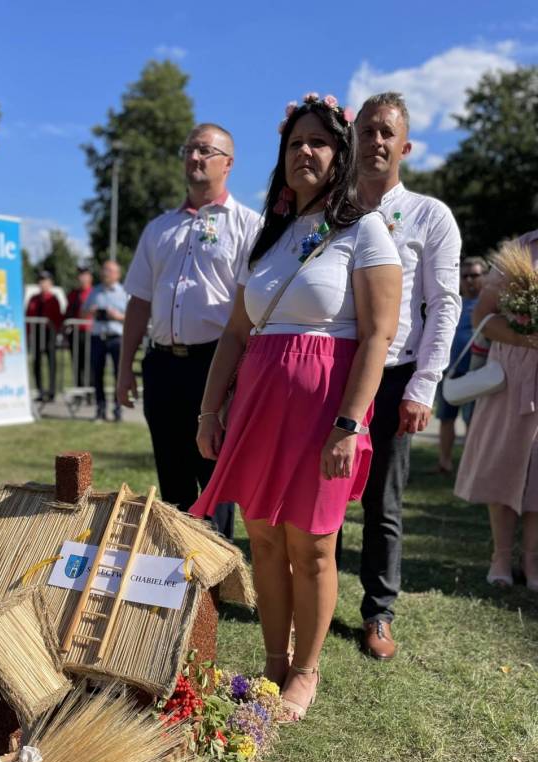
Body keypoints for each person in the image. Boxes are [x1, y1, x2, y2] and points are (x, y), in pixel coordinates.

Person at [191, 94, 402, 721]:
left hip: (325, 413)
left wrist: (349, 425)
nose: (304, 151)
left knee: (311, 546)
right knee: (262, 539)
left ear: (341, 155)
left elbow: (378, 336)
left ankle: (305, 671)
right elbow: (235, 333)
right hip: (258, 406)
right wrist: (209, 412)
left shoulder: (365, 230)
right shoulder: (270, 237)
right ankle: (273, 662)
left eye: (318, 141)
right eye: (294, 143)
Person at [352, 92, 461, 660]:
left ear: (405, 147)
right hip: (336, 371)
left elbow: (444, 304)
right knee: (319, 495)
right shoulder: (335, 209)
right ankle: (307, 600)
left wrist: (424, 384)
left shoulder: (428, 215)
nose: (376, 141)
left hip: (396, 375)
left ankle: (379, 612)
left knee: (383, 504)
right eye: (367, 130)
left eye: (386, 133)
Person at [117, 123, 261, 541]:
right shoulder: (159, 228)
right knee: (173, 478)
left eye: (205, 151)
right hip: (162, 365)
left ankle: (216, 569)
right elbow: (139, 301)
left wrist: (239, 376)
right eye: (189, 150)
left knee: (214, 478)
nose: (195, 157)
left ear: (228, 163)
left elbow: (252, 307)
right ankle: (178, 569)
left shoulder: (249, 225)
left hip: (215, 364)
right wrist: (125, 369)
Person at [455, 228, 538, 587]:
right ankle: (501, 557)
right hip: (512, 376)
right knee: (502, 464)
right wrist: (530, 338)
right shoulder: (520, 248)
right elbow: (483, 319)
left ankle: (532, 560)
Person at [435, 257, 487, 473]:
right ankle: (444, 463)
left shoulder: (490, 304)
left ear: (484, 276)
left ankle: (470, 468)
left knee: (473, 422)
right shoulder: (453, 303)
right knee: (446, 419)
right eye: (464, 276)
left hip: (477, 373)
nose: (469, 280)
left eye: (474, 275)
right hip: (449, 371)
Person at [83, 260, 128, 421]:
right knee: (97, 375)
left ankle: (118, 410)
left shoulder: (124, 292)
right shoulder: (95, 292)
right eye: (104, 270)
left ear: (117, 274)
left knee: (118, 375)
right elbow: (83, 313)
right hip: (98, 338)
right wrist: (91, 311)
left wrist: (117, 316)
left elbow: (132, 317)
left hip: (116, 338)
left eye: (109, 270)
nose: (105, 273)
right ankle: (100, 409)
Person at [26, 271, 65, 402]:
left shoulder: (53, 299)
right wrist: (28, 333)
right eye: (41, 281)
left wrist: (58, 332)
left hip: (49, 332)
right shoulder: (34, 299)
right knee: (36, 362)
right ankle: (40, 390)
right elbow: (28, 315)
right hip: (36, 332)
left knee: (51, 362)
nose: (43, 284)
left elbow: (58, 318)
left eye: (45, 281)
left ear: (50, 283)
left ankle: (51, 391)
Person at [65, 266, 94, 387]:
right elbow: (67, 313)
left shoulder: (94, 293)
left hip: (90, 332)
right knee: (77, 363)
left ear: (90, 277)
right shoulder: (73, 294)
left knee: (89, 363)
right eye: (80, 275)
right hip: (75, 333)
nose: (81, 278)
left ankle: (90, 389)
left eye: (84, 275)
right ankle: (79, 389)